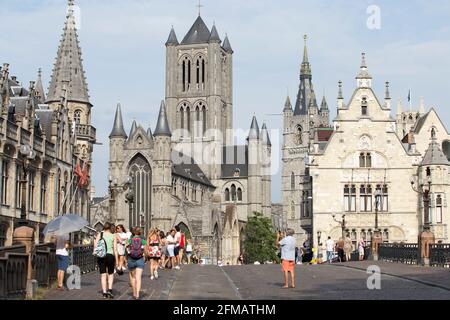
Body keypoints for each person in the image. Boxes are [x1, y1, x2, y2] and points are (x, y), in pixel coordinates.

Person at [94, 222, 118, 299]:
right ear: (110, 227)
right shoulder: (113, 235)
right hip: (110, 256)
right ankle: (110, 290)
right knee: (110, 274)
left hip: (101, 256)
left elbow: (95, 246)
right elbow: (115, 249)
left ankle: (104, 293)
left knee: (103, 275)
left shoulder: (100, 234)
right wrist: (117, 261)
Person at [127, 227, 146, 300]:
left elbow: (126, 247)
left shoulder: (130, 240)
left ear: (133, 232)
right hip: (140, 259)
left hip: (131, 259)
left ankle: (134, 292)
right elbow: (145, 249)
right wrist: (145, 256)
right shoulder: (142, 240)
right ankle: (138, 294)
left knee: (132, 277)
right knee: (138, 277)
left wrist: (129, 252)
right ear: (140, 233)